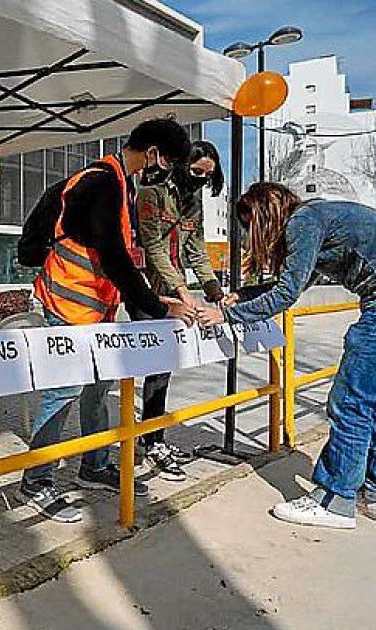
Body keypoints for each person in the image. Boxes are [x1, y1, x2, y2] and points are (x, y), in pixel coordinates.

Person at [198, 183, 376, 529]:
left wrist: (226, 315)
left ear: (264, 216)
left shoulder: (303, 222)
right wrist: (243, 295)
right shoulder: (321, 218)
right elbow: (297, 283)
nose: (251, 237)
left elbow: (286, 295)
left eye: (251, 227)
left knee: (350, 400)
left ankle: (334, 499)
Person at [23, 118, 198, 523]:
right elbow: (114, 256)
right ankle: (37, 480)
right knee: (62, 391)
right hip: (68, 307)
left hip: (96, 308)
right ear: (152, 153)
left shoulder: (118, 183)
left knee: (99, 388)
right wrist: (157, 306)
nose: (167, 172)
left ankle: (94, 465)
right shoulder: (101, 181)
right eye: (168, 163)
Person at [132, 140, 227, 482]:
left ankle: (152, 438)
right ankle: (142, 439)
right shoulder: (151, 192)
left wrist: (216, 292)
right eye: (197, 171)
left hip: (175, 288)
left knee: (164, 367)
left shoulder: (192, 200)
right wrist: (182, 293)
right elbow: (154, 247)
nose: (202, 179)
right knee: (152, 364)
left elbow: (196, 249)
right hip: (146, 290)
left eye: (208, 175)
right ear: (183, 164)